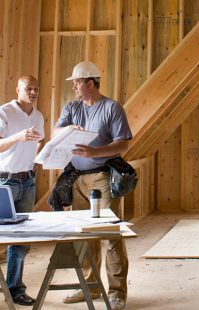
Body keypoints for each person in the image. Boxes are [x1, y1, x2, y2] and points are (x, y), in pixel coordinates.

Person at [54, 61, 131, 310]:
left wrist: (94, 151)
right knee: (84, 235)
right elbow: (56, 133)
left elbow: (122, 144)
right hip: (76, 179)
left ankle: (117, 291)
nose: (74, 86)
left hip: (102, 177)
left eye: (77, 82)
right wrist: (67, 130)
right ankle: (90, 286)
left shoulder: (112, 108)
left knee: (109, 235)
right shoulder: (72, 107)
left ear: (90, 83)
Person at [0, 75, 44, 306]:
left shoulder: (38, 116)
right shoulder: (5, 112)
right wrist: (18, 137)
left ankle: (15, 289)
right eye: (29, 88)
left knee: (22, 238)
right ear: (18, 89)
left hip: (27, 183)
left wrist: (36, 161)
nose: (33, 92)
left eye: (36, 89)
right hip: (4, 183)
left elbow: (42, 139)